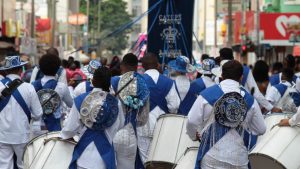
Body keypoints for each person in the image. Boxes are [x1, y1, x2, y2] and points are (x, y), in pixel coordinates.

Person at [187, 60, 266, 169]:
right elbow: (261, 129)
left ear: (221, 75)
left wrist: (193, 136)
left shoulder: (206, 95)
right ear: (241, 77)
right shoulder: (250, 100)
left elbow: (191, 120)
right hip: (238, 158)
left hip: (211, 155)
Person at [61, 66, 125, 169]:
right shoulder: (116, 103)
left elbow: (70, 129)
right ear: (109, 82)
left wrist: (63, 135)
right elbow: (120, 124)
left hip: (84, 158)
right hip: (105, 159)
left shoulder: (80, 100)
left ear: (93, 81)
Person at [0, 56, 43, 169]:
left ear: (5, 70)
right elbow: (38, 113)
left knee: (4, 165)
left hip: (2, 134)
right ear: (20, 69)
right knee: (23, 164)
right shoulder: (29, 87)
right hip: (21, 135)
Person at [211, 47, 281, 113]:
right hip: (243, 108)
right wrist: (271, 108)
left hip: (222, 109)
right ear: (233, 58)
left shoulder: (217, 73)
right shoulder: (245, 70)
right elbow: (256, 94)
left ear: (220, 58)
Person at [113, 71, 150, 169]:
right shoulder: (142, 86)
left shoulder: (113, 82)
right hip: (130, 135)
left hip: (112, 134)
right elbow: (143, 120)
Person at [32, 53, 73, 132]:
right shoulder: (62, 87)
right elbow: (71, 104)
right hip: (54, 127)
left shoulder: (32, 86)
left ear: (40, 68)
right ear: (58, 68)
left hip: (36, 127)